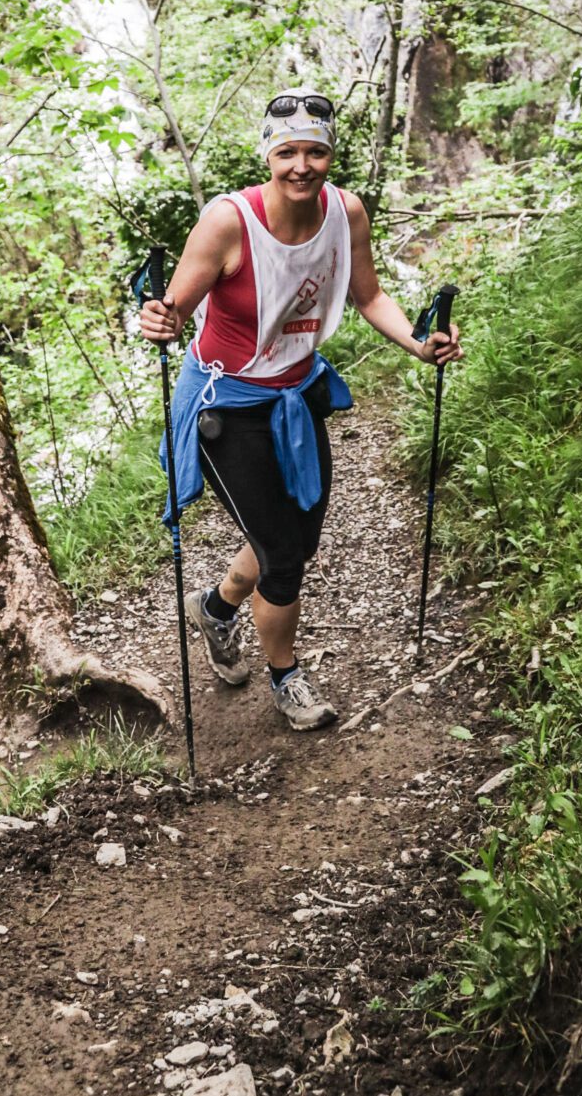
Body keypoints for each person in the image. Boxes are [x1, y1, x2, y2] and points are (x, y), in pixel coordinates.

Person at [139, 91, 463, 731]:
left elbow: (369, 296)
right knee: (283, 552)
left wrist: (420, 345)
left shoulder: (346, 212)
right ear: (268, 154)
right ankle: (287, 679)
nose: (302, 165)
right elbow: (171, 310)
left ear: (330, 155)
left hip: (294, 392)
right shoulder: (228, 222)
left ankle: (217, 606)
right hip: (224, 405)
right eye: (287, 151)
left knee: (298, 536)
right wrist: (157, 319)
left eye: (316, 151)